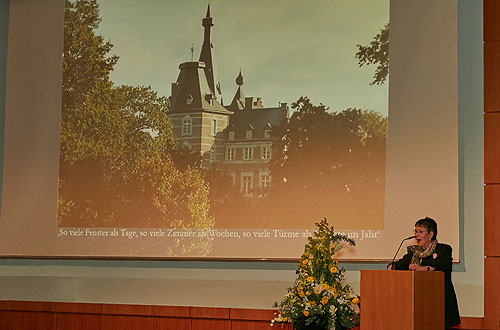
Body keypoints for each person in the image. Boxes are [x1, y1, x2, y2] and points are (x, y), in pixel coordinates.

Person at [388, 217, 460, 329]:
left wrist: (423, 268)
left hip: (440, 301)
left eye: (420, 232)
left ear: (430, 234)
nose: (417, 235)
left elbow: (444, 267)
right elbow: (400, 264)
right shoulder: (414, 252)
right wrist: (392, 266)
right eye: (415, 231)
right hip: (419, 303)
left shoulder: (443, 249)